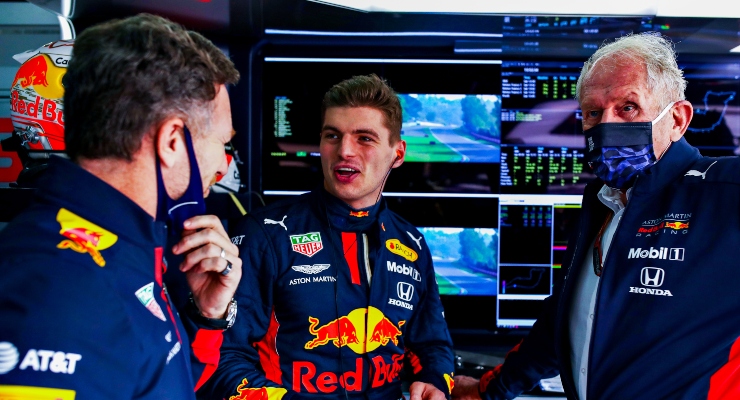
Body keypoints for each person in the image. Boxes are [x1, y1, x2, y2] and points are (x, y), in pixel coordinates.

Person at [453, 32, 740, 400]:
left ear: (678, 120)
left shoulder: (725, 189)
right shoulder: (600, 205)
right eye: (593, 112)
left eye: (628, 107)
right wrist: (488, 390)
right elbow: (566, 323)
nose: (607, 125)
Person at [0, 14, 243, 398]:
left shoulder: (123, 245)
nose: (222, 164)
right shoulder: (62, 288)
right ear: (171, 142)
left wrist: (206, 316)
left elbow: (150, 380)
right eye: (222, 142)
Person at [197, 74, 455, 399]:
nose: (344, 150)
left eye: (364, 138)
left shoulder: (412, 244)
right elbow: (224, 356)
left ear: (398, 154)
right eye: (332, 135)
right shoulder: (266, 234)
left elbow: (432, 343)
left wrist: (434, 381)